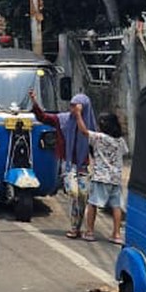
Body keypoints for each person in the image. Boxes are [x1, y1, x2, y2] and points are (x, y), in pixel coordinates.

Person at [30, 87, 97, 238]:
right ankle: (74, 227)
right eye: (72, 105)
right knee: (73, 192)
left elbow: (94, 146)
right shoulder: (63, 119)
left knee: (84, 196)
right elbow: (43, 117)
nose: (72, 109)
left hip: (83, 165)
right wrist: (34, 101)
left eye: (76, 106)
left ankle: (79, 226)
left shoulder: (90, 125)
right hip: (68, 164)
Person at [73, 104, 127, 243]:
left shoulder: (99, 138)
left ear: (103, 125)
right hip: (115, 178)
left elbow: (83, 131)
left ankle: (90, 232)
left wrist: (78, 114)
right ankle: (116, 234)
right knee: (116, 206)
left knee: (93, 204)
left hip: (101, 177)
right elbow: (124, 153)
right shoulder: (120, 141)